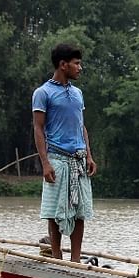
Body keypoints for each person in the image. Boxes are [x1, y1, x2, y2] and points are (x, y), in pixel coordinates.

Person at [32, 43, 97, 262]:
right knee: (54, 211)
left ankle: (75, 259)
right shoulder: (43, 93)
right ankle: (57, 255)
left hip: (78, 159)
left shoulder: (77, 93)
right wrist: (45, 163)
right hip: (57, 159)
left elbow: (81, 126)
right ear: (63, 64)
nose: (80, 68)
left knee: (80, 211)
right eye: (76, 63)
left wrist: (88, 155)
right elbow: (38, 128)